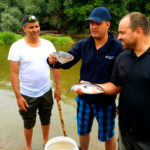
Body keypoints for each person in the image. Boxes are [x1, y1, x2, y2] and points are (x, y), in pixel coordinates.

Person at [47, 7, 123, 150]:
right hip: (84, 100)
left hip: (106, 102)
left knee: (108, 136)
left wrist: (122, 102)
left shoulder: (118, 48)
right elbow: (66, 61)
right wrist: (52, 60)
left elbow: (123, 79)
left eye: (98, 23)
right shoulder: (83, 44)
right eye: (91, 23)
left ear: (108, 25)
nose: (93, 27)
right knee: (83, 131)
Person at [95, 12, 150, 150]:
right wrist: (92, 87)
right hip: (124, 132)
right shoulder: (122, 58)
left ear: (138, 31)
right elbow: (115, 86)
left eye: (122, 33)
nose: (118, 37)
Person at [8, 15, 61, 150]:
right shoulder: (16, 47)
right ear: (24, 29)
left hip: (46, 90)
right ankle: (29, 147)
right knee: (28, 122)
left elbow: (55, 67)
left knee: (46, 118)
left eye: (37, 26)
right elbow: (14, 74)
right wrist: (18, 96)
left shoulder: (48, 45)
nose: (35, 30)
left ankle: (45, 143)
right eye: (31, 27)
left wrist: (58, 88)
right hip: (27, 93)